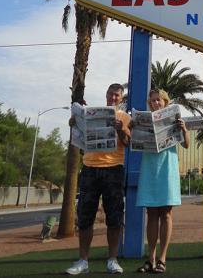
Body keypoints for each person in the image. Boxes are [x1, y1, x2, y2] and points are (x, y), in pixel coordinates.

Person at [66, 83, 131, 275]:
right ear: (106, 94)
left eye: (117, 96)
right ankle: (83, 261)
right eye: (111, 94)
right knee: (85, 217)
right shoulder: (91, 113)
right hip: (89, 169)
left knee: (115, 217)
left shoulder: (125, 117)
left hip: (114, 170)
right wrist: (74, 123)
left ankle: (112, 260)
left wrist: (121, 130)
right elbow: (78, 136)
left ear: (121, 98)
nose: (113, 98)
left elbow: (128, 143)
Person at [135, 89, 190, 274]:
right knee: (151, 213)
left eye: (158, 100)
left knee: (166, 213)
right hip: (150, 168)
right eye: (152, 101)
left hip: (168, 168)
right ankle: (150, 258)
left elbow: (186, 144)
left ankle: (162, 258)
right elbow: (134, 142)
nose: (155, 103)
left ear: (165, 102)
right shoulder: (143, 121)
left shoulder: (175, 119)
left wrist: (183, 129)